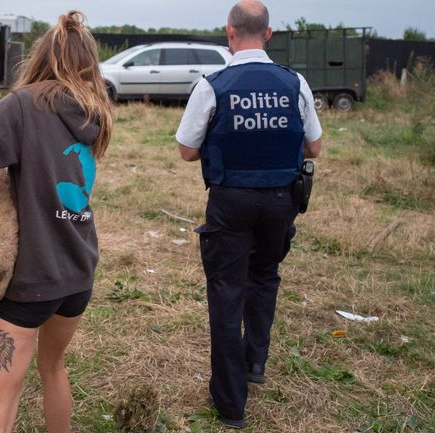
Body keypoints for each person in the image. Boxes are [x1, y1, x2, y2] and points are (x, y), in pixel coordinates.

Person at [0, 10, 113, 433]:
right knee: (53, 368)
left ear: (41, 57)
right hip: (78, 270)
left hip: (32, 278)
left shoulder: (24, 104)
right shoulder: (94, 111)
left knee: (1, 395)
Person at [175, 0, 323, 428]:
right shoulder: (295, 82)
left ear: (230, 32)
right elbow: (314, 147)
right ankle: (255, 361)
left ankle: (230, 405)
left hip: (230, 201)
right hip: (281, 201)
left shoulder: (213, 84)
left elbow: (186, 150)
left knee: (226, 292)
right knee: (264, 277)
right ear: (270, 34)